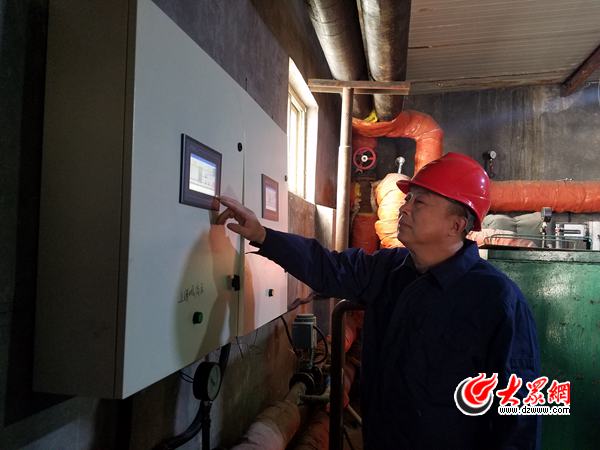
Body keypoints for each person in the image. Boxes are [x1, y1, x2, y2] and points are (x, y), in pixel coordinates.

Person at [218, 152, 540, 450]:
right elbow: (326, 267)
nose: (404, 208)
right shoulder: (389, 269)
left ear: (456, 225)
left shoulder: (496, 299)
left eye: (419, 202)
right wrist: (263, 235)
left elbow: (519, 408)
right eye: (408, 198)